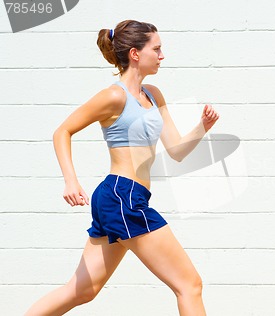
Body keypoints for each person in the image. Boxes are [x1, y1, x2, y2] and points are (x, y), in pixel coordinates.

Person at [25, 20, 218, 316]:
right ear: (135, 54)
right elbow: (62, 131)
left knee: (82, 290)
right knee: (189, 284)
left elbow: (177, 150)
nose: (162, 55)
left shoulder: (153, 94)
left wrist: (202, 127)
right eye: (157, 48)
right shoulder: (113, 96)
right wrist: (71, 181)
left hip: (122, 198)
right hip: (122, 196)